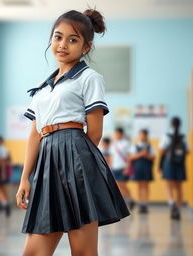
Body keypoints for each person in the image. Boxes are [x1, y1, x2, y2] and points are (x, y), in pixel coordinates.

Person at [16, 9, 130, 256]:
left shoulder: (90, 78)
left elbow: (95, 132)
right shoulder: (41, 90)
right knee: (33, 252)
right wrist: (26, 177)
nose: (63, 45)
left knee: (83, 252)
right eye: (58, 37)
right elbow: (35, 134)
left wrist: (78, 165)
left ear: (86, 47)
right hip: (47, 164)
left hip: (78, 162)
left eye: (73, 39)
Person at [159, 117, 189, 220]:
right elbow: (188, 151)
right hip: (180, 164)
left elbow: (161, 150)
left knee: (169, 186)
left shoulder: (166, 136)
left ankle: (172, 205)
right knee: (179, 187)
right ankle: (178, 208)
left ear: (171, 124)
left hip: (169, 163)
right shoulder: (184, 136)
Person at [129, 129, 155, 214]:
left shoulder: (150, 146)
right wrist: (141, 154)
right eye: (140, 135)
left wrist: (146, 155)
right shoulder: (135, 146)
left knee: (146, 186)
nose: (141, 136)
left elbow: (153, 157)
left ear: (146, 136)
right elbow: (131, 157)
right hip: (138, 168)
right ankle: (141, 204)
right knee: (139, 186)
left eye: (143, 135)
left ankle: (145, 204)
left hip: (147, 168)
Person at [110, 127, 135, 209]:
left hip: (122, 167)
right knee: (118, 186)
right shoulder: (113, 144)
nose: (116, 135)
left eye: (117, 133)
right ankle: (128, 200)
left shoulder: (126, 143)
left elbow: (129, 156)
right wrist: (110, 167)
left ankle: (129, 200)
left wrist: (127, 168)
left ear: (121, 134)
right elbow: (111, 156)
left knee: (123, 185)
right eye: (115, 133)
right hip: (115, 167)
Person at [0, 135, 12, 215]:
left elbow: (7, 161)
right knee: (3, 188)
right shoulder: (5, 150)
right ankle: (5, 203)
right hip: (5, 172)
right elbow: (9, 161)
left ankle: (4, 203)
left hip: (0, 171)